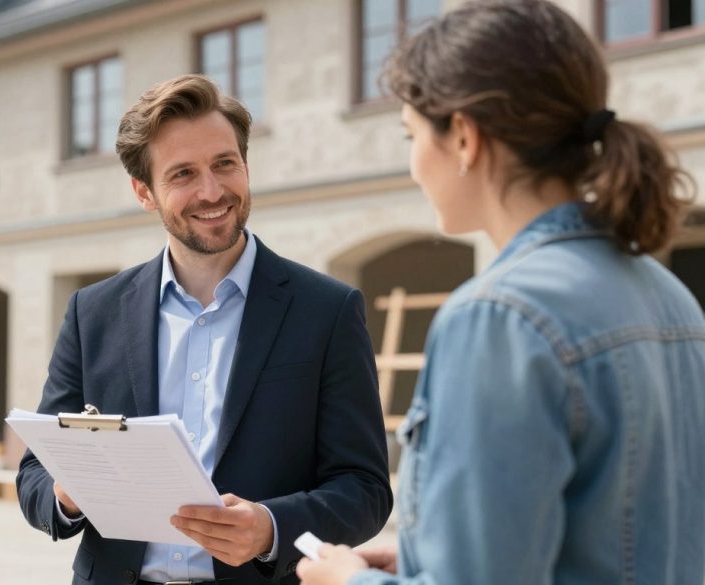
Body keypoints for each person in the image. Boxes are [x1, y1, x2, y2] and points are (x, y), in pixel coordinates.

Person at [296, 1, 705, 584]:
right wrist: (415, 565)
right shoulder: (671, 297)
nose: (412, 165)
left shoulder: (498, 318)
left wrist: (347, 581)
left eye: (411, 135)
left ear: (463, 136)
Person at [17, 74, 392, 585]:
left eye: (224, 164)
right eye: (183, 174)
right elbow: (34, 473)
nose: (212, 191)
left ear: (246, 166)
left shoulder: (328, 309)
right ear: (144, 192)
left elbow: (365, 489)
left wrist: (271, 527)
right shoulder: (93, 312)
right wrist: (68, 492)